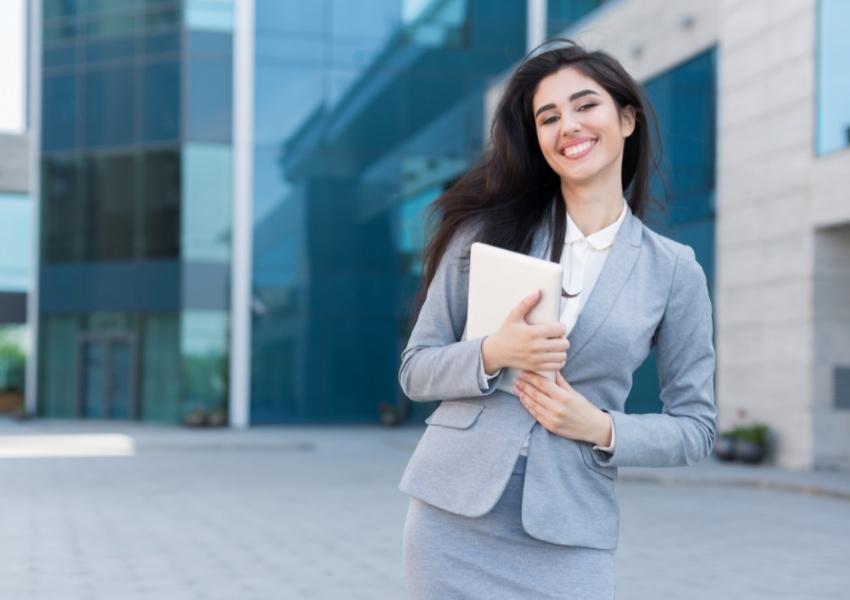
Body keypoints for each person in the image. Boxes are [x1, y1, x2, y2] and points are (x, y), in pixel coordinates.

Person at [397, 39, 717, 600]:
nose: (567, 125)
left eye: (584, 105)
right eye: (549, 117)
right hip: (452, 515)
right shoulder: (484, 234)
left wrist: (599, 426)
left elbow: (696, 427)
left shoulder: (674, 270)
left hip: (570, 526)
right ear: (539, 141)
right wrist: (494, 353)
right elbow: (415, 371)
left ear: (626, 118)